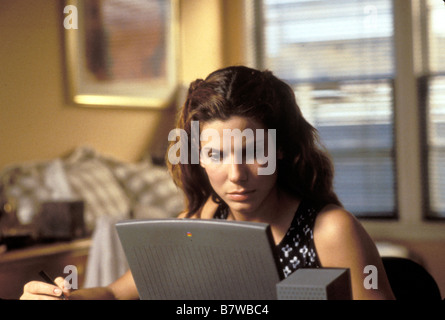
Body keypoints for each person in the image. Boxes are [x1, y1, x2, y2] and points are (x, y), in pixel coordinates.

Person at [21, 66, 395, 300]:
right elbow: (117, 293)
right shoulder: (202, 218)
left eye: (252, 152)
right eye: (216, 155)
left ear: (281, 149)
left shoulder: (329, 230)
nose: (236, 176)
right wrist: (59, 297)